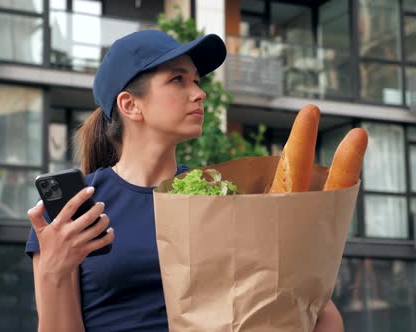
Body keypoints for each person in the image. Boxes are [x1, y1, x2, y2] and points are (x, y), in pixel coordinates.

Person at [26, 29, 344, 332]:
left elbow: (319, 310)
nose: (199, 93)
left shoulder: (218, 198)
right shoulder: (75, 207)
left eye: (196, 80)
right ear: (130, 105)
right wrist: (54, 271)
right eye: (178, 79)